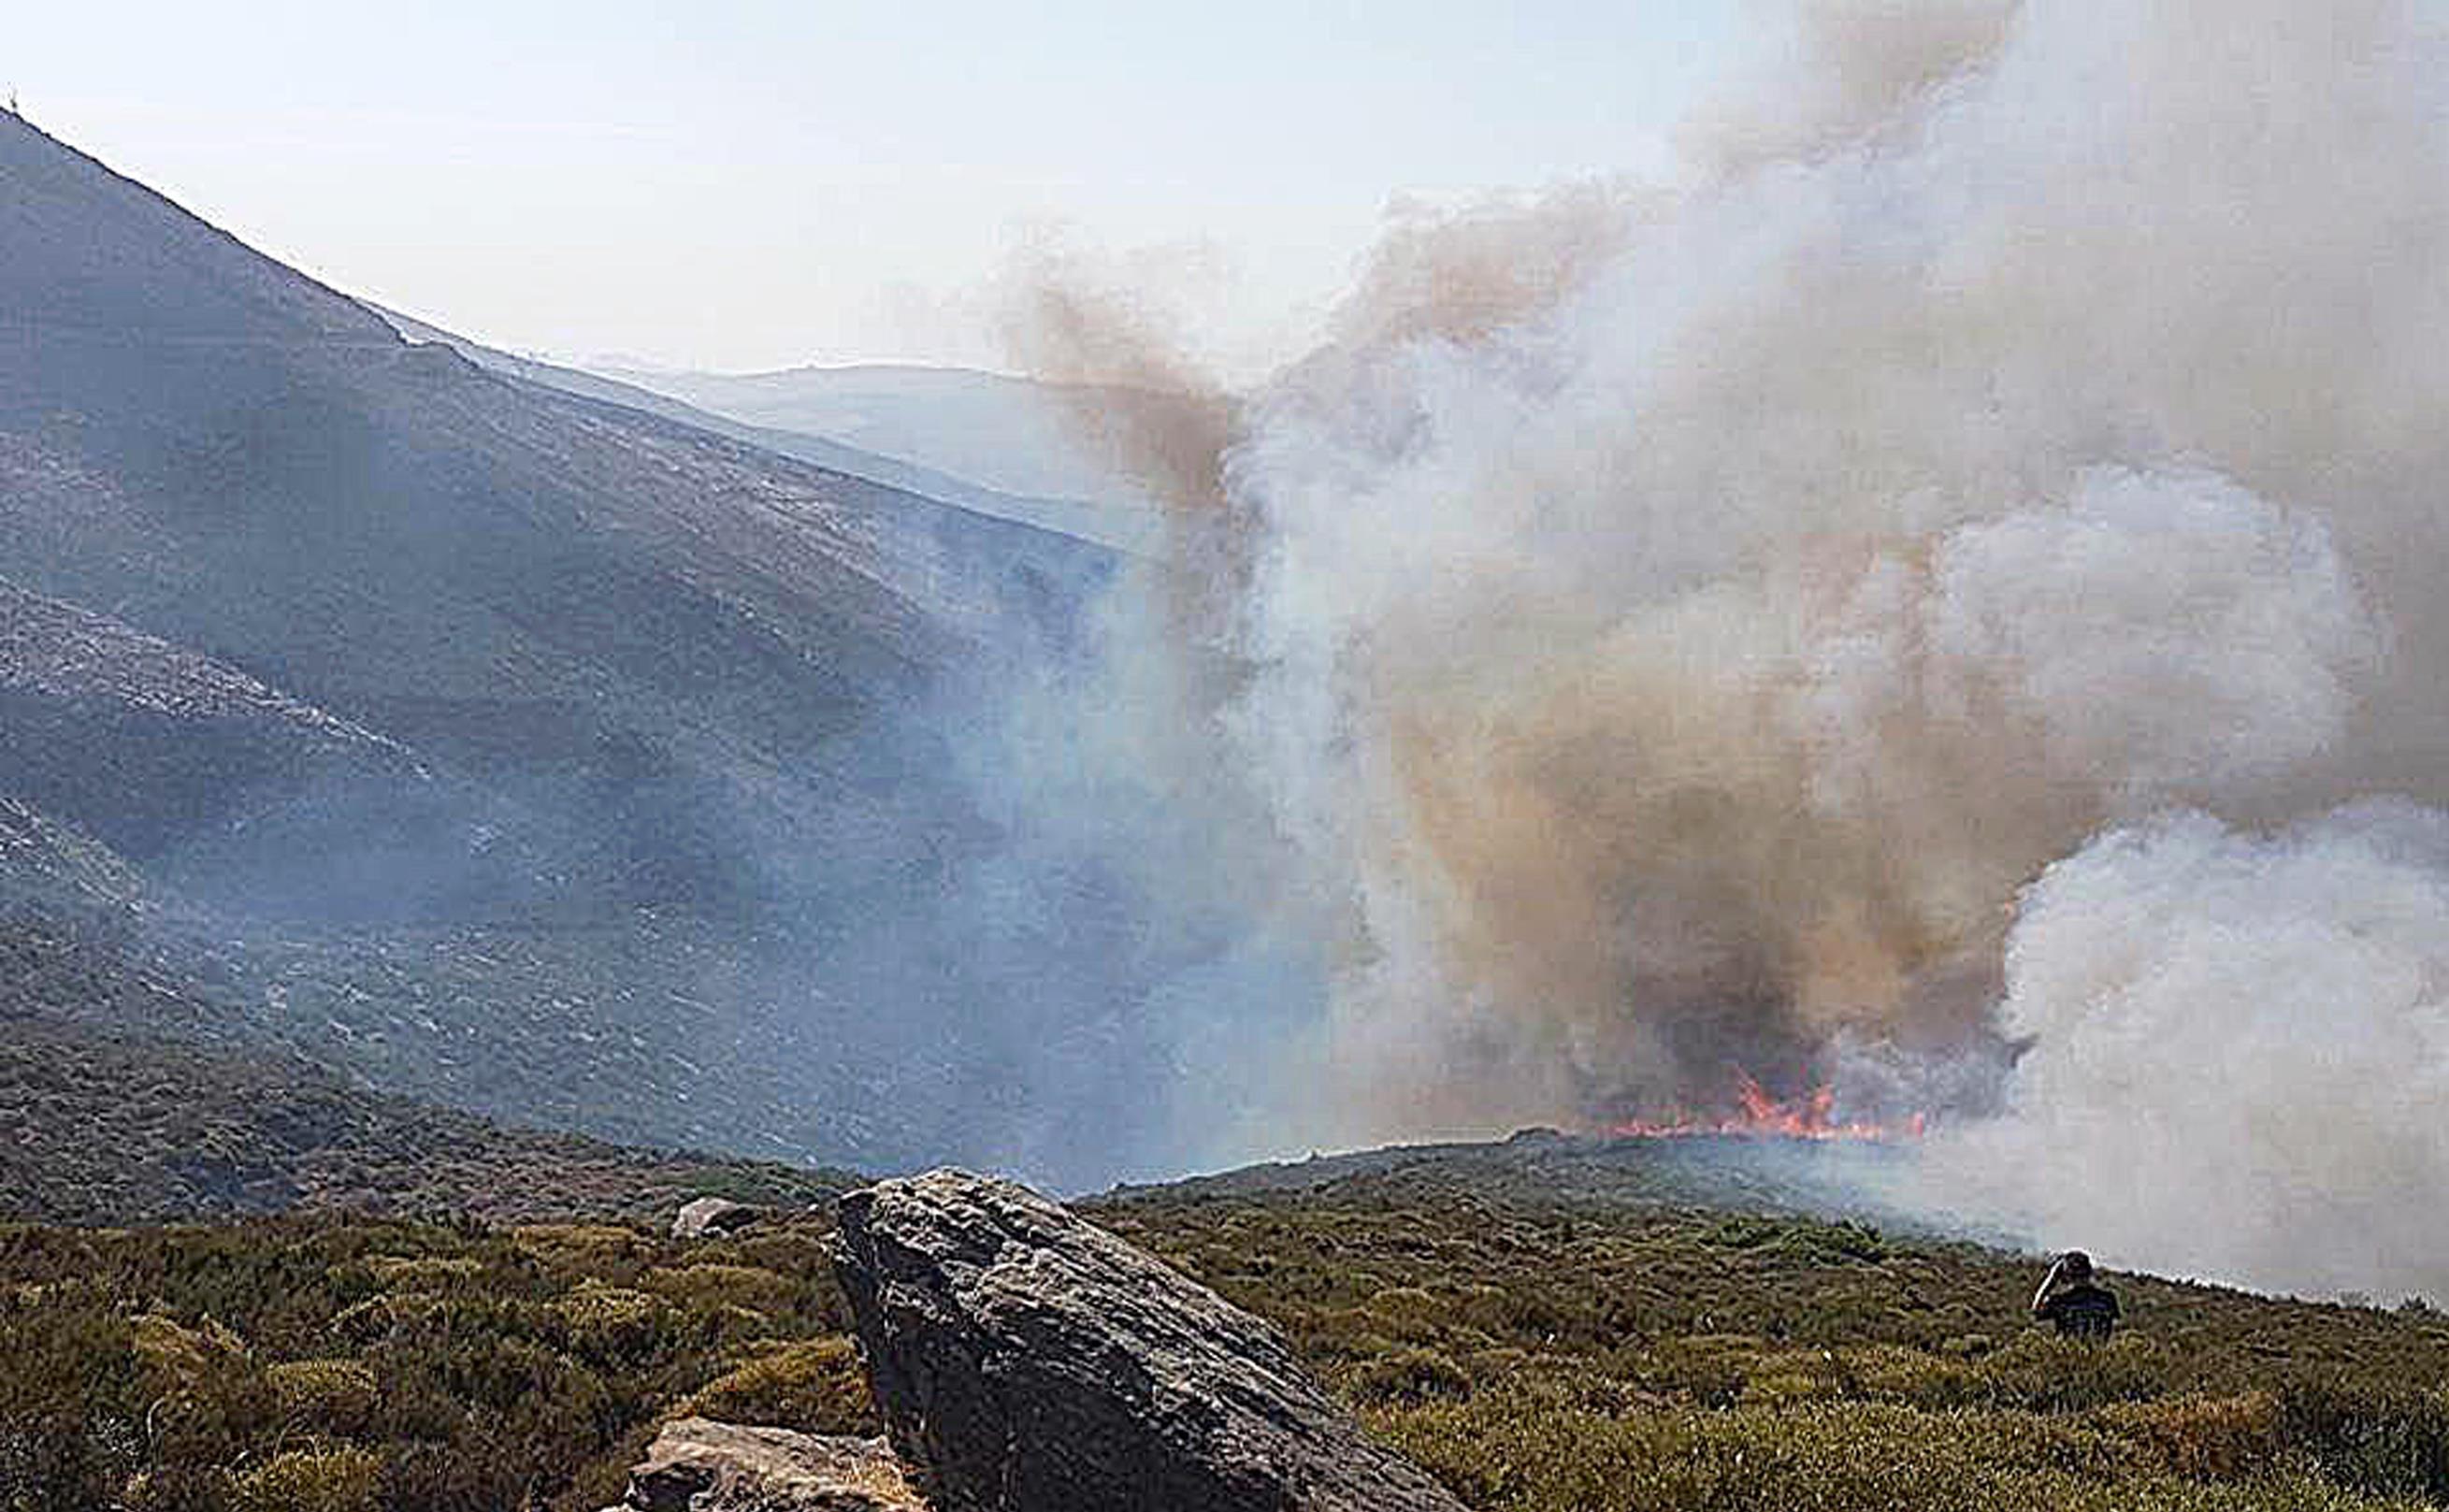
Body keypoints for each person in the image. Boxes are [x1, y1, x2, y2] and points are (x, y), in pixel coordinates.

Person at [2031, 1249, 2121, 1339]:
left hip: (2069, 1347)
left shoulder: (2060, 1302)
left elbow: (2035, 1312)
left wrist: (2051, 1278)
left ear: (2065, 1275)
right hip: (2100, 1348)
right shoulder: (2107, 1300)